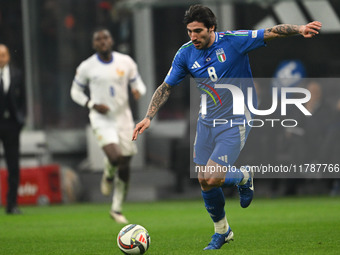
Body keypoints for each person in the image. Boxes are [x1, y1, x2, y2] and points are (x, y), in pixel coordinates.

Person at [132, 4, 321, 250]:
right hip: (207, 121)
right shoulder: (185, 53)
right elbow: (166, 87)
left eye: (198, 31)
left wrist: (300, 28)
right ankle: (222, 231)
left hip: (236, 120)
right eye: (189, 31)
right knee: (203, 180)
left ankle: (243, 176)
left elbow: (271, 31)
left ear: (211, 28)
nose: (193, 36)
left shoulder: (233, 41)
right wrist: (148, 116)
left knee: (213, 176)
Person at [71, 28, 146, 223]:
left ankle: (117, 208)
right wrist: (91, 104)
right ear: (94, 44)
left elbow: (139, 84)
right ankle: (108, 173)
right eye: (98, 39)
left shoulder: (126, 61)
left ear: (111, 40)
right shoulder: (87, 66)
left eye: (105, 37)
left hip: (123, 118)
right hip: (101, 118)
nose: (102, 41)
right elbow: (75, 92)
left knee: (125, 162)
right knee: (115, 156)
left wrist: (138, 91)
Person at [0, 44, 26, 214]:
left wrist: (21, 120)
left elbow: (23, 99)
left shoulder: (17, 74)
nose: (0, 58)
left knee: (13, 165)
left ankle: (12, 204)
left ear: (8, 56)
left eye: (3, 54)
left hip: (11, 125)